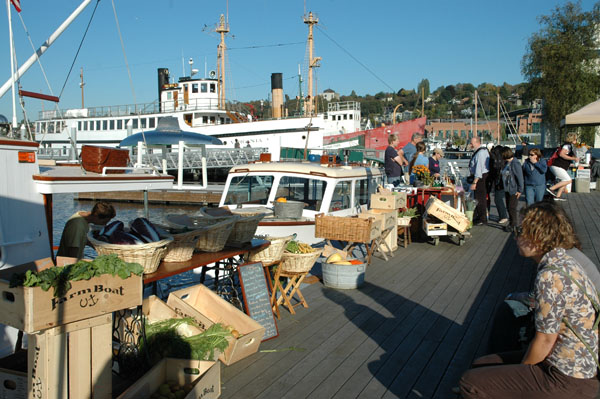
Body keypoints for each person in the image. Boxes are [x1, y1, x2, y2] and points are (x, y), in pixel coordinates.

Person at [460, 201, 600, 399]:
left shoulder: (549, 276)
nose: (516, 236)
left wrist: (520, 374)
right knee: (481, 364)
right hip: (577, 369)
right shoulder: (563, 260)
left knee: (470, 382)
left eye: (521, 231)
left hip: (567, 378)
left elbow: (545, 340)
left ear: (538, 236)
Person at [547, 132, 578, 201]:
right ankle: (551, 189)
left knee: (564, 180)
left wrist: (570, 163)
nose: (576, 141)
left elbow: (563, 157)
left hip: (556, 166)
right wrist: (574, 159)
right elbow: (562, 154)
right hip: (557, 166)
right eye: (576, 139)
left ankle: (557, 196)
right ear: (572, 139)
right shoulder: (567, 146)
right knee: (568, 180)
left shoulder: (567, 146)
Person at [500, 147, 524, 233]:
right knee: (509, 207)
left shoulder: (515, 163)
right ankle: (511, 223)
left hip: (513, 189)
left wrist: (520, 190)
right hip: (507, 189)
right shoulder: (507, 163)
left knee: (512, 207)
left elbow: (520, 177)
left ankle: (514, 225)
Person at [468, 137, 490, 225]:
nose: (470, 145)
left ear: (476, 142)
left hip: (480, 178)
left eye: (471, 143)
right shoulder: (484, 151)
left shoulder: (480, 153)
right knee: (479, 198)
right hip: (482, 177)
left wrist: (474, 182)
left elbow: (479, 169)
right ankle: (479, 216)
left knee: (480, 199)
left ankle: (482, 218)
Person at [489, 145, 509, 225]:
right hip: (504, 180)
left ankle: (503, 216)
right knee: (503, 199)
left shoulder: (494, 155)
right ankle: (505, 216)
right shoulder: (502, 157)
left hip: (498, 180)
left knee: (498, 199)